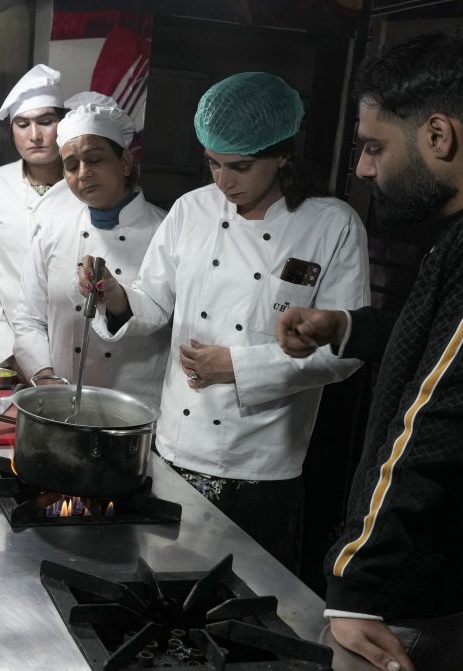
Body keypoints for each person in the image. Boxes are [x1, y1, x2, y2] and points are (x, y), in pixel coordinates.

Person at [276, 33, 463, 671]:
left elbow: (445, 415)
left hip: (435, 583)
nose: (362, 167)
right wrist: (347, 327)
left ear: (438, 135)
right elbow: (460, 347)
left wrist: (359, 581)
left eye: (373, 146)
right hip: (451, 569)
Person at [83, 72, 370, 571]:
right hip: (174, 448)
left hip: (262, 464)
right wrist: (116, 298)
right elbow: (154, 300)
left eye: (240, 166)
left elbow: (341, 354)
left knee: (248, 604)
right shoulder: (191, 210)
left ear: (284, 155)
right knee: (158, 589)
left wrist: (236, 366)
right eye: (213, 164)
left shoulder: (332, 224)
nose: (223, 180)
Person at [13, 93, 168, 406]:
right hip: (60, 404)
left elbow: (171, 320)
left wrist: (118, 298)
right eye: (71, 166)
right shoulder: (52, 230)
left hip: (134, 413)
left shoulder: (165, 231)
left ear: (125, 162)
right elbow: (28, 319)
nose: (82, 173)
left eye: (94, 159)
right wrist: (43, 375)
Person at [0, 64, 72, 373]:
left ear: (62, 124)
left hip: (77, 352)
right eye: (23, 124)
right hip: (10, 354)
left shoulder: (85, 187)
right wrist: (8, 354)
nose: (35, 135)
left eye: (46, 121)